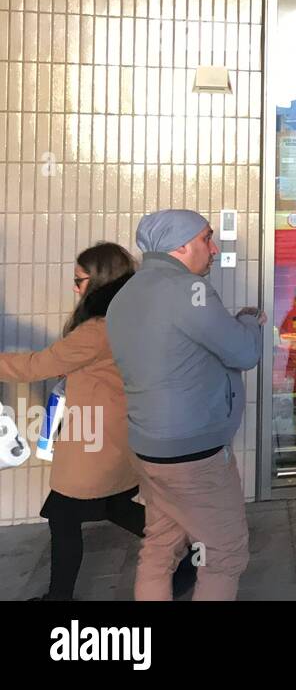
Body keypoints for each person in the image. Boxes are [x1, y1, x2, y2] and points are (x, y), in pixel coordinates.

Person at [0, 243, 197, 600]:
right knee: (114, 505)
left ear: (100, 281)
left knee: (63, 515)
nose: (74, 288)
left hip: (95, 441)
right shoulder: (135, 316)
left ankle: (58, 597)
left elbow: (38, 366)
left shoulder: (97, 330)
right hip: (120, 433)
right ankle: (189, 551)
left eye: (79, 281)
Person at [106, 210, 265, 601]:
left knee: (161, 543)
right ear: (179, 246)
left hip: (150, 448)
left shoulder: (127, 293)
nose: (213, 250)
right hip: (194, 455)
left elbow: (178, 345)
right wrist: (249, 322)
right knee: (224, 553)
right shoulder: (187, 290)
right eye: (206, 239)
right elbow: (243, 352)